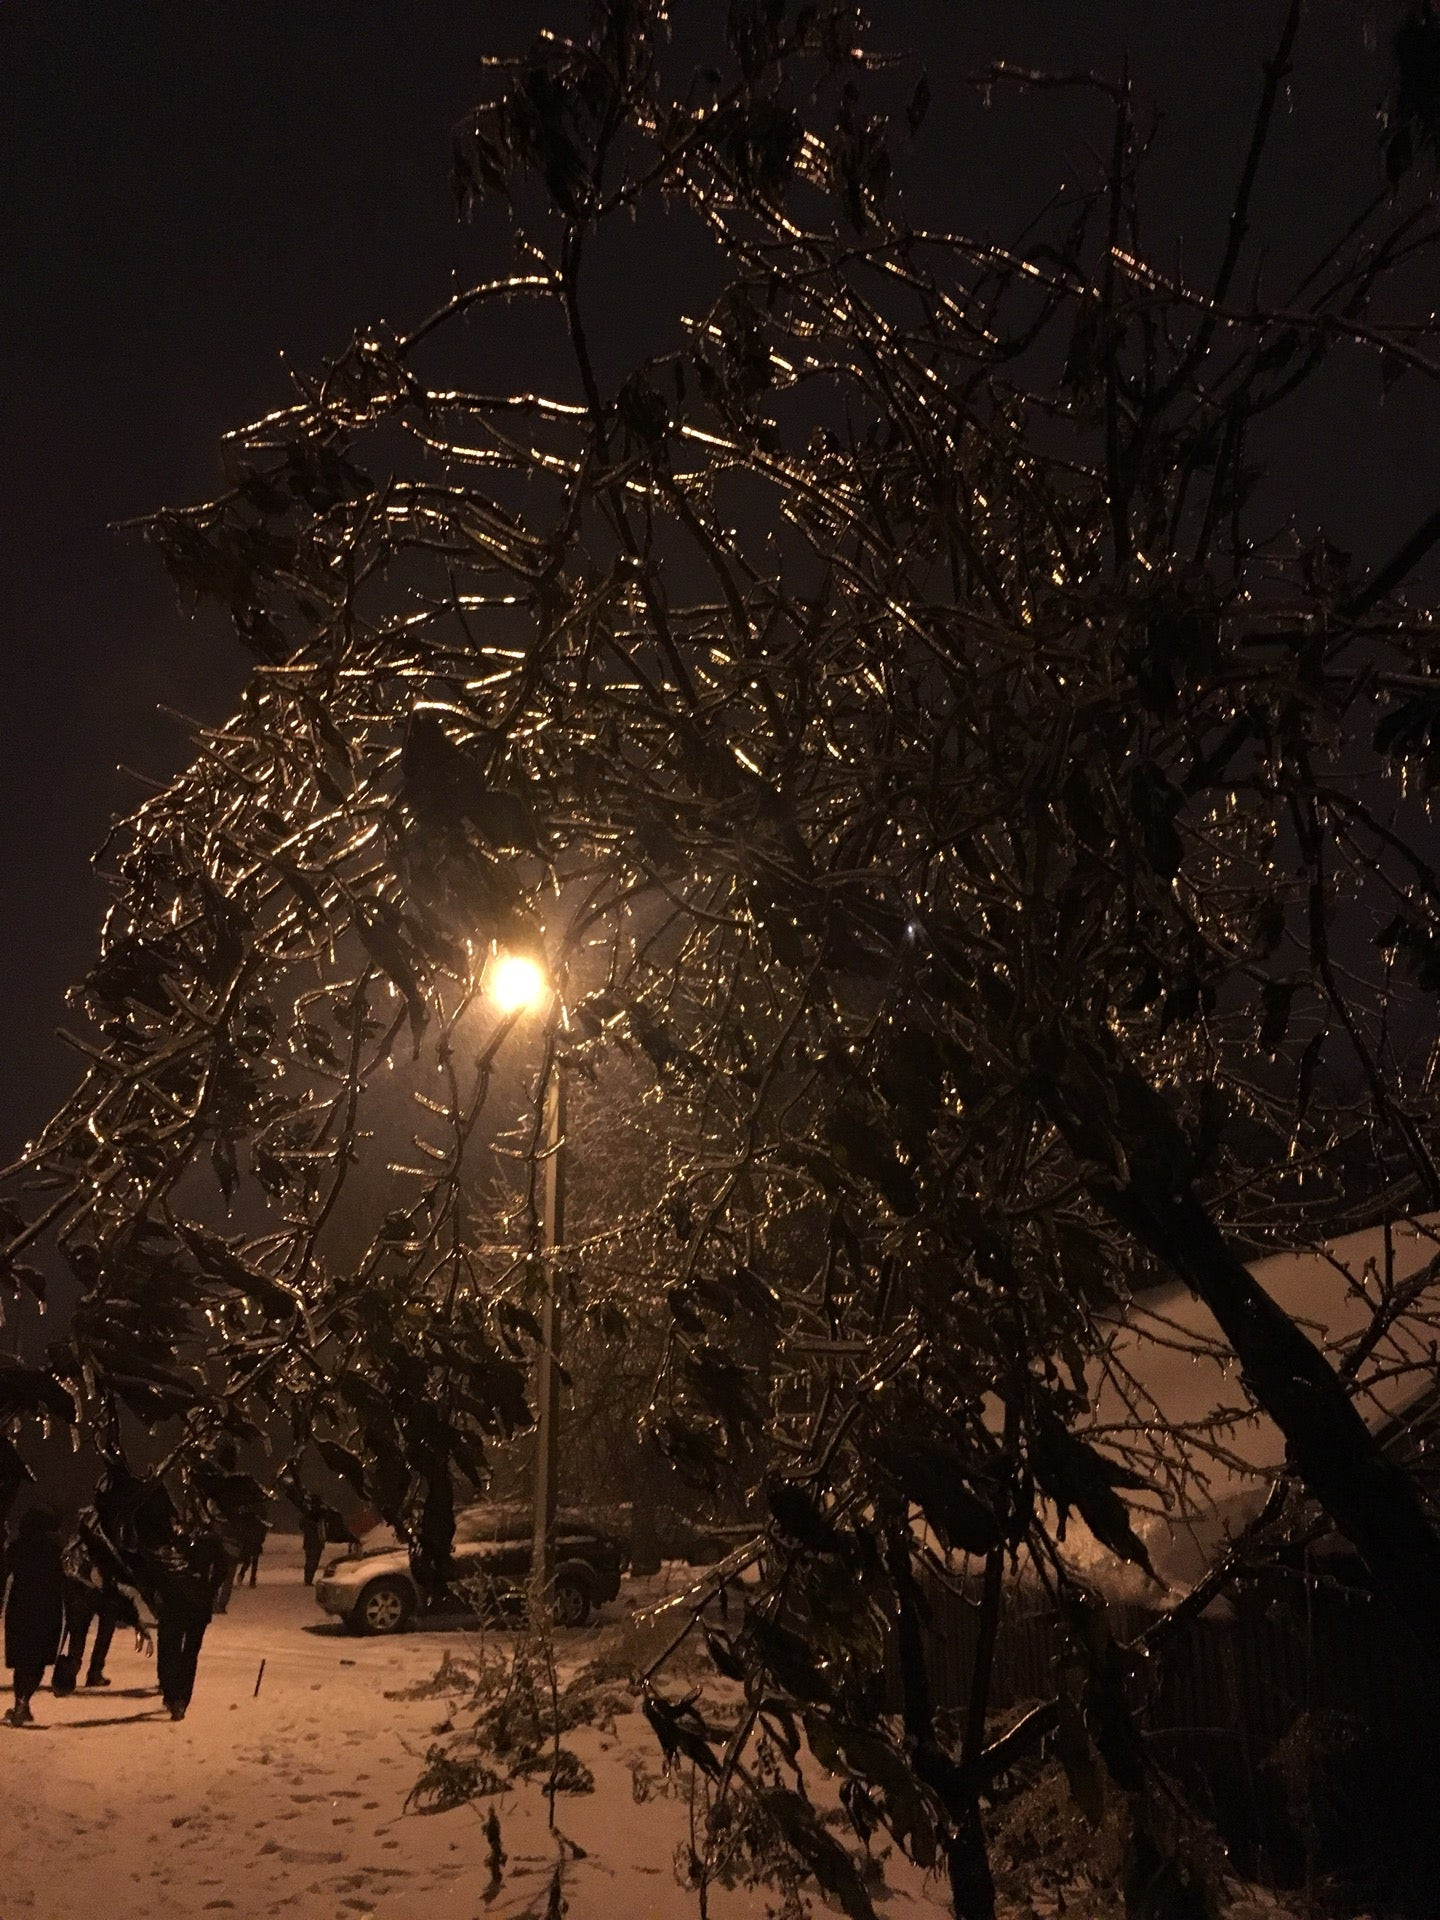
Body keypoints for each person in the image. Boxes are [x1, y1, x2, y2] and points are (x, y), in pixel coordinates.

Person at [148, 1526, 228, 1720]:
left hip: (173, 1602)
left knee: (171, 1649)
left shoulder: (172, 1537)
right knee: (188, 1654)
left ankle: (173, 1695)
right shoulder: (210, 1540)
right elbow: (222, 1568)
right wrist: (209, 1589)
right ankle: (181, 1699)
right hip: (197, 1603)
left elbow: (154, 1565)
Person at [2, 1507, 65, 1727]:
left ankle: (21, 1702)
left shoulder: (16, 1548)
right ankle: (23, 1701)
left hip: (20, 1609)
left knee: (22, 1660)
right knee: (37, 1661)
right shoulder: (55, 1550)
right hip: (47, 1610)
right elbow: (66, 1580)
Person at [233, 1510, 268, 1588]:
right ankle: (247, 1578)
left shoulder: (250, 1518)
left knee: (251, 1561)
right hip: (251, 1541)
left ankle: (249, 1578)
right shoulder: (254, 1519)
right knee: (250, 1561)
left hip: (252, 1542)